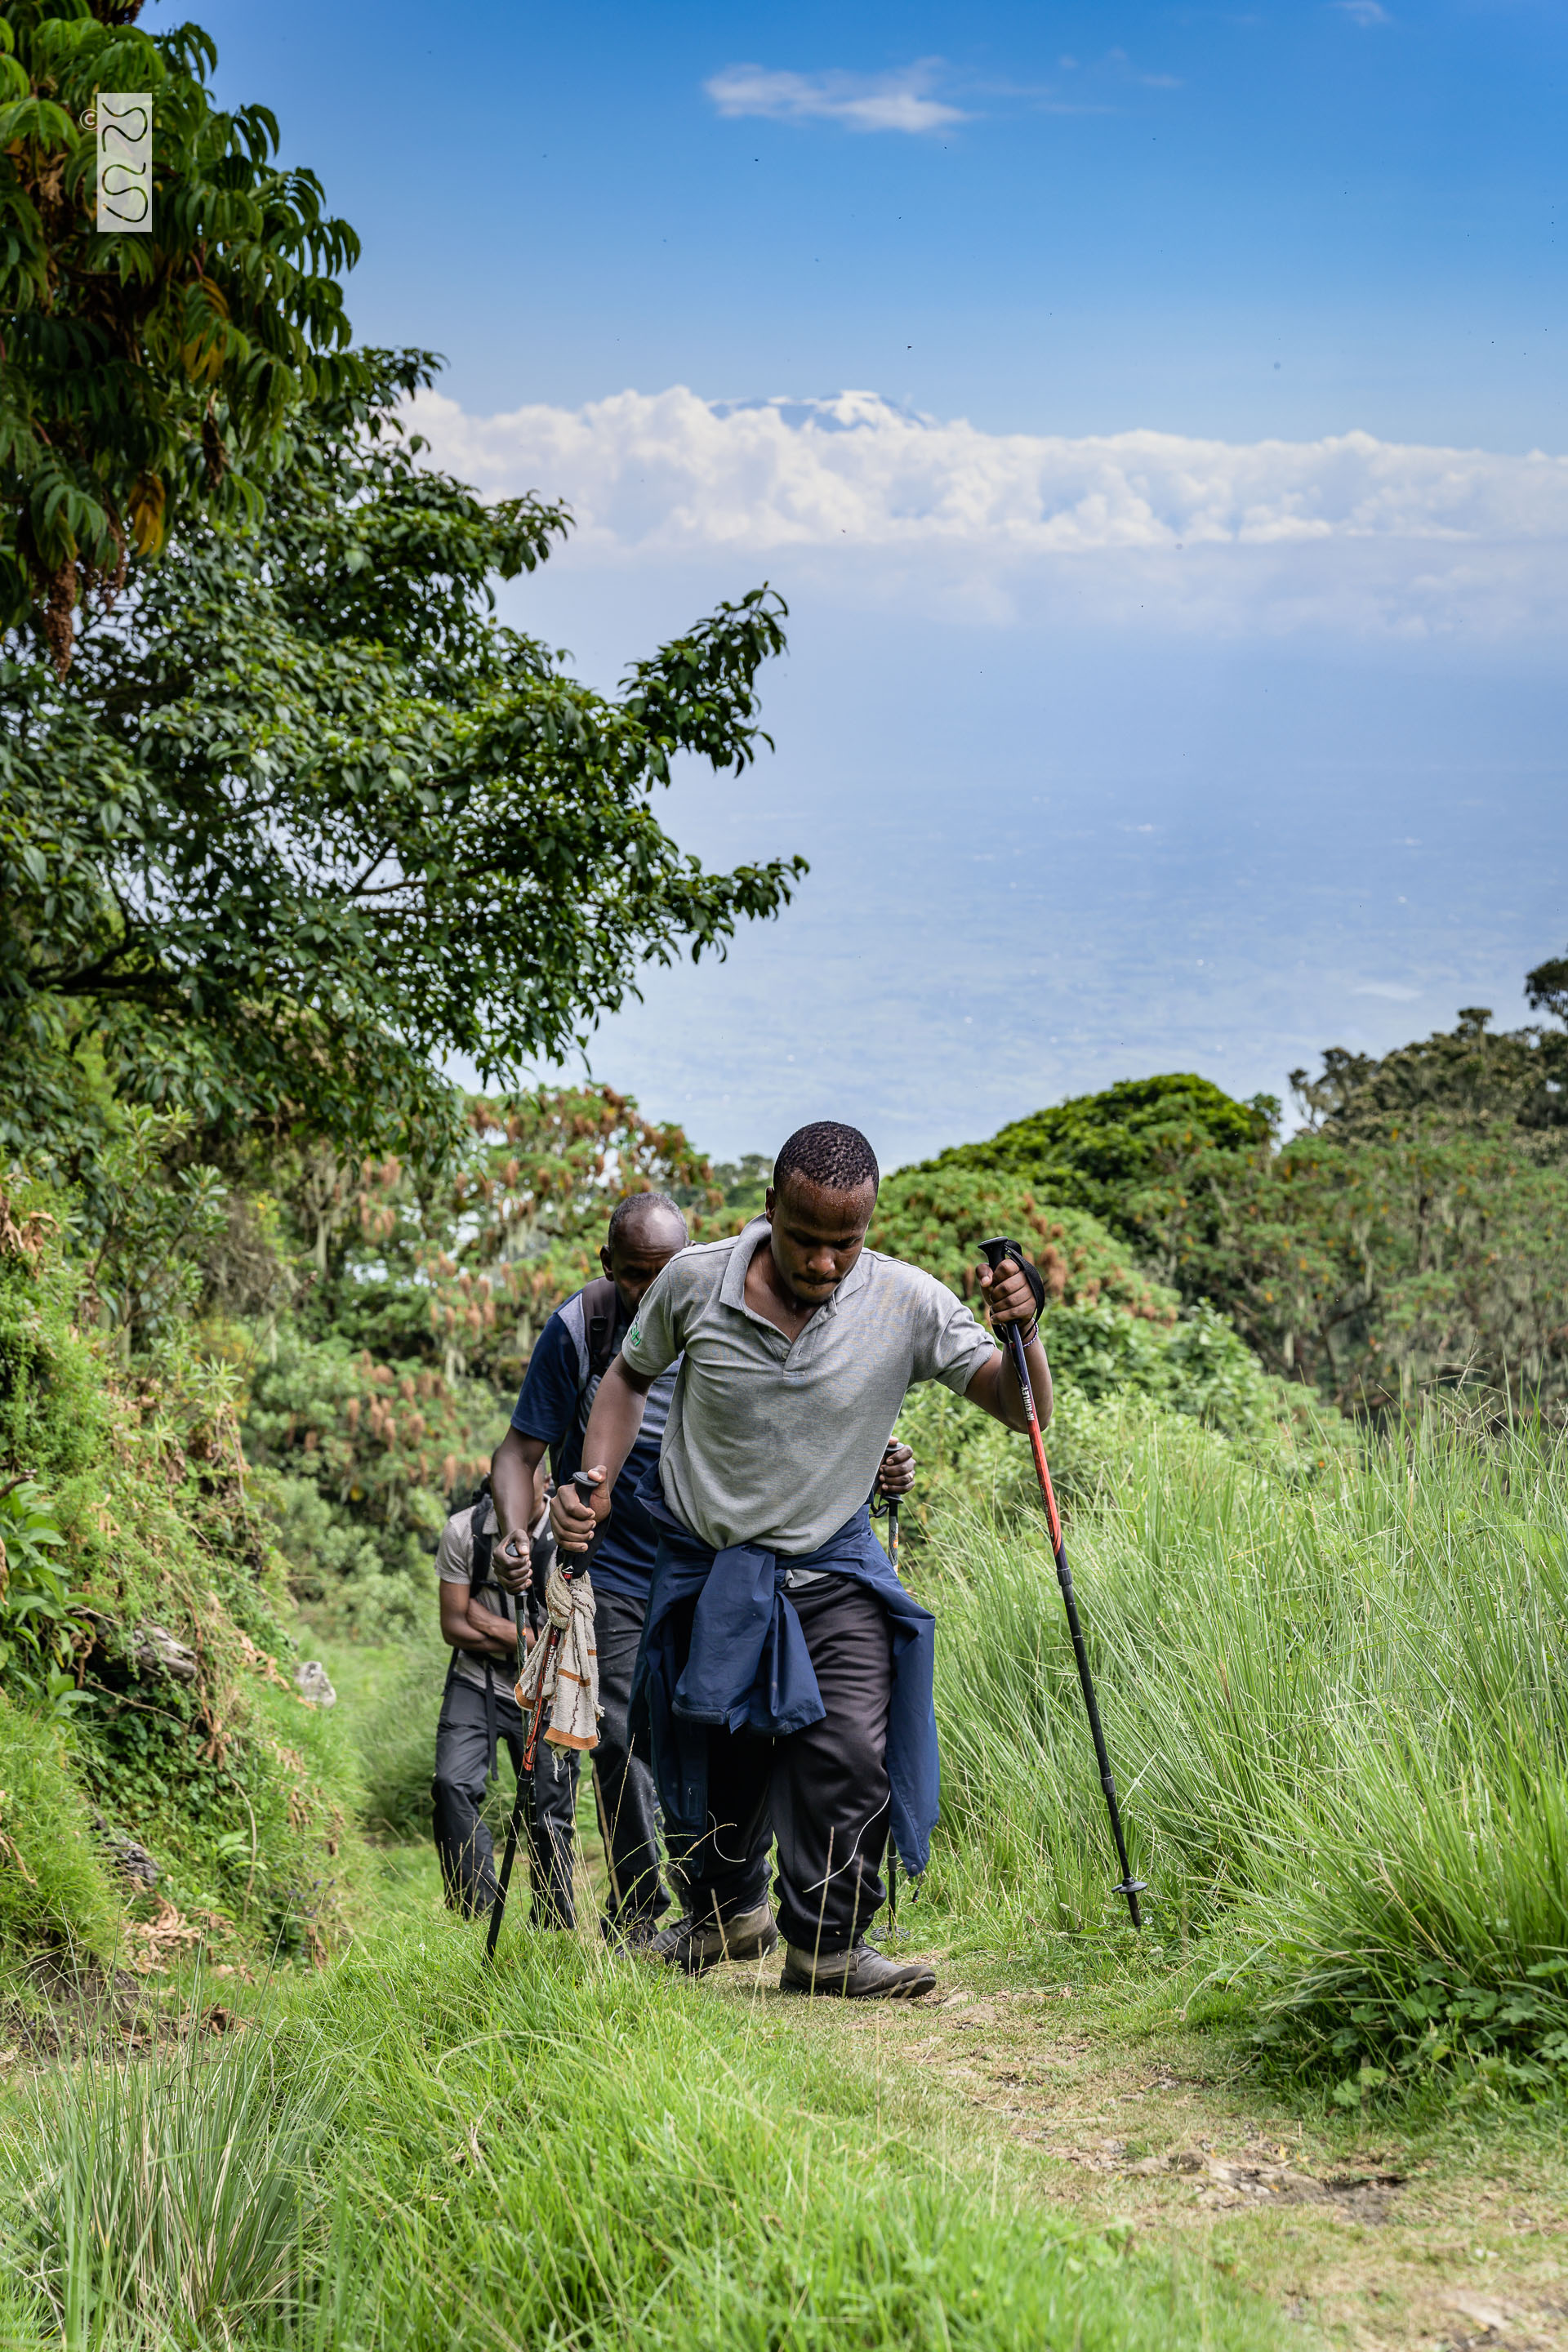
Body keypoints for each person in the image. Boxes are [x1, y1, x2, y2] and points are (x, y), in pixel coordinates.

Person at [550, 1120, 1050, 2002]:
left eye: (845, 1243)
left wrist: (1025, 1335)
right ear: (770, 1208)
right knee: (716, 1765)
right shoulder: (692, 1283)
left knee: (850, 1751)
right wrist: (592, 1480)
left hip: (834, 1561)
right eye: (805, 1239)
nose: (824, 1262)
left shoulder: (907, 1301)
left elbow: (1019, 1409)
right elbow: (629, 1377)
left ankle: (826, 1946)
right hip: (711, 1564)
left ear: (869, 1226)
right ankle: (720, 1916)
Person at [489, 1191, 689, 1948]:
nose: (652, 1291)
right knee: (620, 1735)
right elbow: (518, 1453)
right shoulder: (580, 1327)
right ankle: (640, 1912)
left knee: (707, 1721)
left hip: (705, 1550)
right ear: (608, 1266)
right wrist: (517, 1534)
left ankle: (724, 1897)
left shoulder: (719, 1317)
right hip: (605, 1564)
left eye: (668, 1272)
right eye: (636, 1274)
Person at [431, 1470, 581, 1924]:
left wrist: (492, 1622)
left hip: (549, 1687)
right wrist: (523, 1637)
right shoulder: (464, 1530)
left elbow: (567, 1638)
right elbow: (451, 1627)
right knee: (451, 1784)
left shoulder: (568, 1536)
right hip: (476, 1679)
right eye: (500, 1482)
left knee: (549, 1805)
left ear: (546, 1483)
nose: (507, 1494)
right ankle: (474, 1912)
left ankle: (553, 1925)